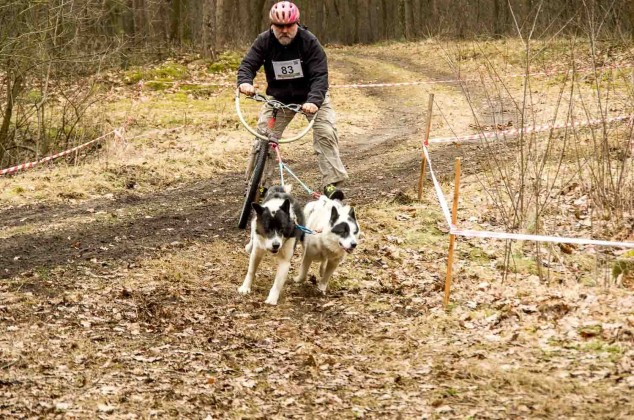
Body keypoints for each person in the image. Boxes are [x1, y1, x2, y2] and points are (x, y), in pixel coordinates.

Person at [237, 1, 348, 200]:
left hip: (312, 97)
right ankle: (258, 186)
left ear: (297, 23)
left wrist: (314, 101)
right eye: (280, 26)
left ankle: (331, 184)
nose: (285, 30)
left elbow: (320, 75)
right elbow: (247, 64)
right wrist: (245, 82)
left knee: (325, 132)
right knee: (263, 136)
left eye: (289, 26)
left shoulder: (309, 41)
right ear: (272, 25)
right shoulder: (264, 41)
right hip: (279, 99)